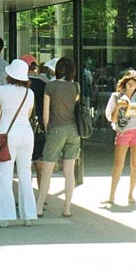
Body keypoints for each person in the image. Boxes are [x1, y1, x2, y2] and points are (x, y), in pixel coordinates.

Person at [0, 58, 38, 227]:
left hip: (8, 134)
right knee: (25, 174)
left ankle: (4, 217)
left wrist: (2, 114)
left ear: (9, 74)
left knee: (6, 175)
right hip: (26, 133)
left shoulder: (1, 90)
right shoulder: (29, 93)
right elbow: (28, 113)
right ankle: (29, 215)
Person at [36, 57, 81, 218]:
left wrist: (48, 129)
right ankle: (67, 208)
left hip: (56, 130)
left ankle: (39, 207)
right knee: (69, 172)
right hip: (73, 131)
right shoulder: (76, 86)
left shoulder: (51, 86)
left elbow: (46, 112)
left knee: (47, 171)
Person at [104, 70, 136, 206]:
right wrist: (118, 108)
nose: (130, 87)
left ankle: (131, 194)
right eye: (128, 84)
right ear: (124, 84)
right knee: (118, 165)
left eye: (133, 84)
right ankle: (111, 196)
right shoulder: (115, 97)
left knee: (135, 165)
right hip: (123, 132)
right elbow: (111, 118)